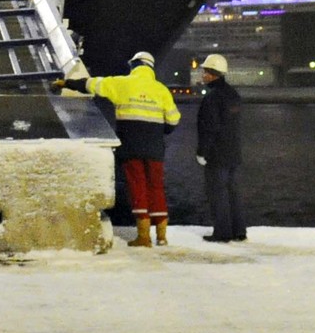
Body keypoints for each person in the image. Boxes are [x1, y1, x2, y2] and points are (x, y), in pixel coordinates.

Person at [59, 50, 180, 247]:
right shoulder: (161, 90)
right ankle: (162, 236)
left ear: (134, 66)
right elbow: (174, 120)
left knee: (138, 187)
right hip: (155, 149)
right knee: (156, 187)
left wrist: (68, 83)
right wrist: (160, 131)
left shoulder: (122, 83)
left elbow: (93, 84)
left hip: (131, 146)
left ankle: (143, 236)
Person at [196, 52, 246, 243]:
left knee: (217, 193)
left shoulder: (212, 97)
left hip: (217, 154)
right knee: (233, 192)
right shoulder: (233, 94)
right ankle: (238, 231)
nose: (202, 75)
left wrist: (202, 152)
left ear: (212, 74)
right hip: (234, 152)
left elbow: (209, 128)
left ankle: (222, 232)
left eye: (205, 72)